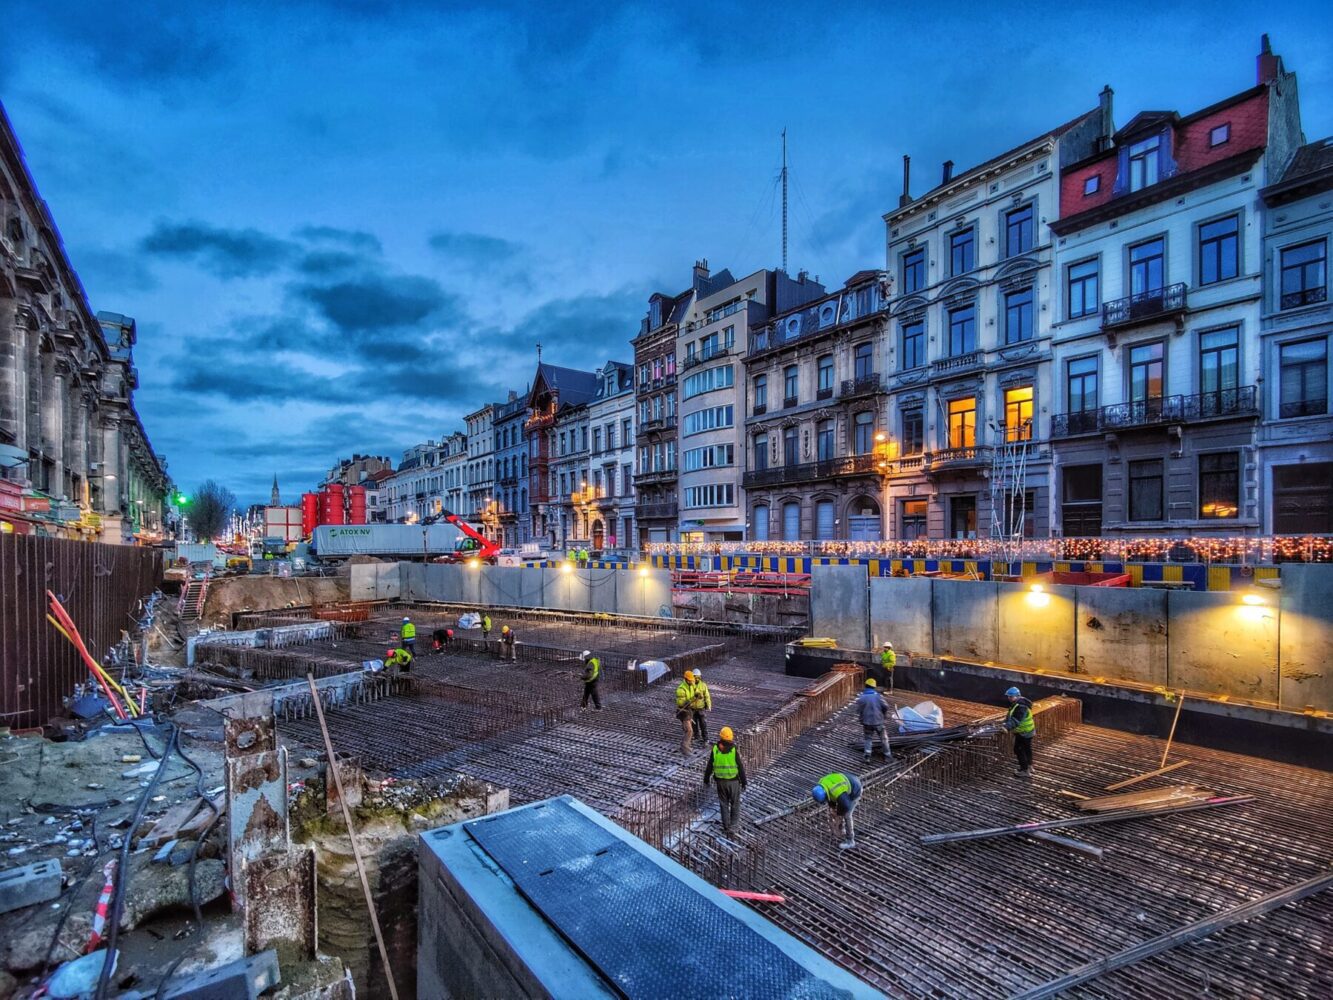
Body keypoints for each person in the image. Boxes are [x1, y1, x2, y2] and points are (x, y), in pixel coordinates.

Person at [703, 726, 748, 835]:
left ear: (721, 737)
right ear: (731, 737)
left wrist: (706, 779)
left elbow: (710, 766)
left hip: (720, 783)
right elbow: (740, 766)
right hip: (733, 782)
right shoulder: (733, 750)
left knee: (723, 804)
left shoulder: (715, 749)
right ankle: (734, 826)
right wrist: (744, 781)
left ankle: (726, 826)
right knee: (735, 804)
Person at [812, 772, 863, 850]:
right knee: (838, 809)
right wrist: (833, 808)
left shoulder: (836, 791)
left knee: (847, 815)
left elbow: (846, 805)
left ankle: (850, 840)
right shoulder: (822, 783)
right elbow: (830, 797)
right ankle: (841, 829)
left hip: (855, 789)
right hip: (847, 781)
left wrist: (838, 814)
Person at [856, 678, 892, 762]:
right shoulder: (878, 697)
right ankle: (888, 756)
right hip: (879, 722)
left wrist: (862, 719)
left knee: (868, 739)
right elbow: (886, 707)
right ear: (874, 687)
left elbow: (859, 711)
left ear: (866, 686)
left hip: (867, 723)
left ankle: (867, 756)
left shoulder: (861, 698)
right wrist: (883, 715)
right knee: (884, 739)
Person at [1003, 686, 1036, 776]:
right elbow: (1012, 716)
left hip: (1023, 732)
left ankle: (1024, 771)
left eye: (1010, 696)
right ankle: (1029, 766)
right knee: (1027, 749)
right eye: (1008, 696)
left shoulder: (1021, 706)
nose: (1008, 698)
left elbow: (1016, 720)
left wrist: (1006, 727)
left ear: (1017, 696)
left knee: (1018, 750)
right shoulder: (1020, 703)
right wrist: (1005, 722)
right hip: (1028, 731)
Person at [675, 670, 698, 754]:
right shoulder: (681, 689)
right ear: (686, 679)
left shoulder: (691, 686)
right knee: (689, 730)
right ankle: (684, 748)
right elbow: (680, 702)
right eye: (690, 680)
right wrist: (687, 702)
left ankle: (687, 746)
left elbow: (693, 694)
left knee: (688, 730)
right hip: (683, 712)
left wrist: (697, 695)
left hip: (688, 711)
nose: (692, 681)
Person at [689, 670, 712, 744]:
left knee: (703, 724)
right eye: (695, 677)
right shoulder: (690, 685)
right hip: (692, 708)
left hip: (701, 708)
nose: (696, 679)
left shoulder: (703, 685)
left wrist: (708, 705)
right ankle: (696, 737)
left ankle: (705, 739)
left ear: (700, 677)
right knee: (694, 724)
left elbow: (707, 696)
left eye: (698, 677)